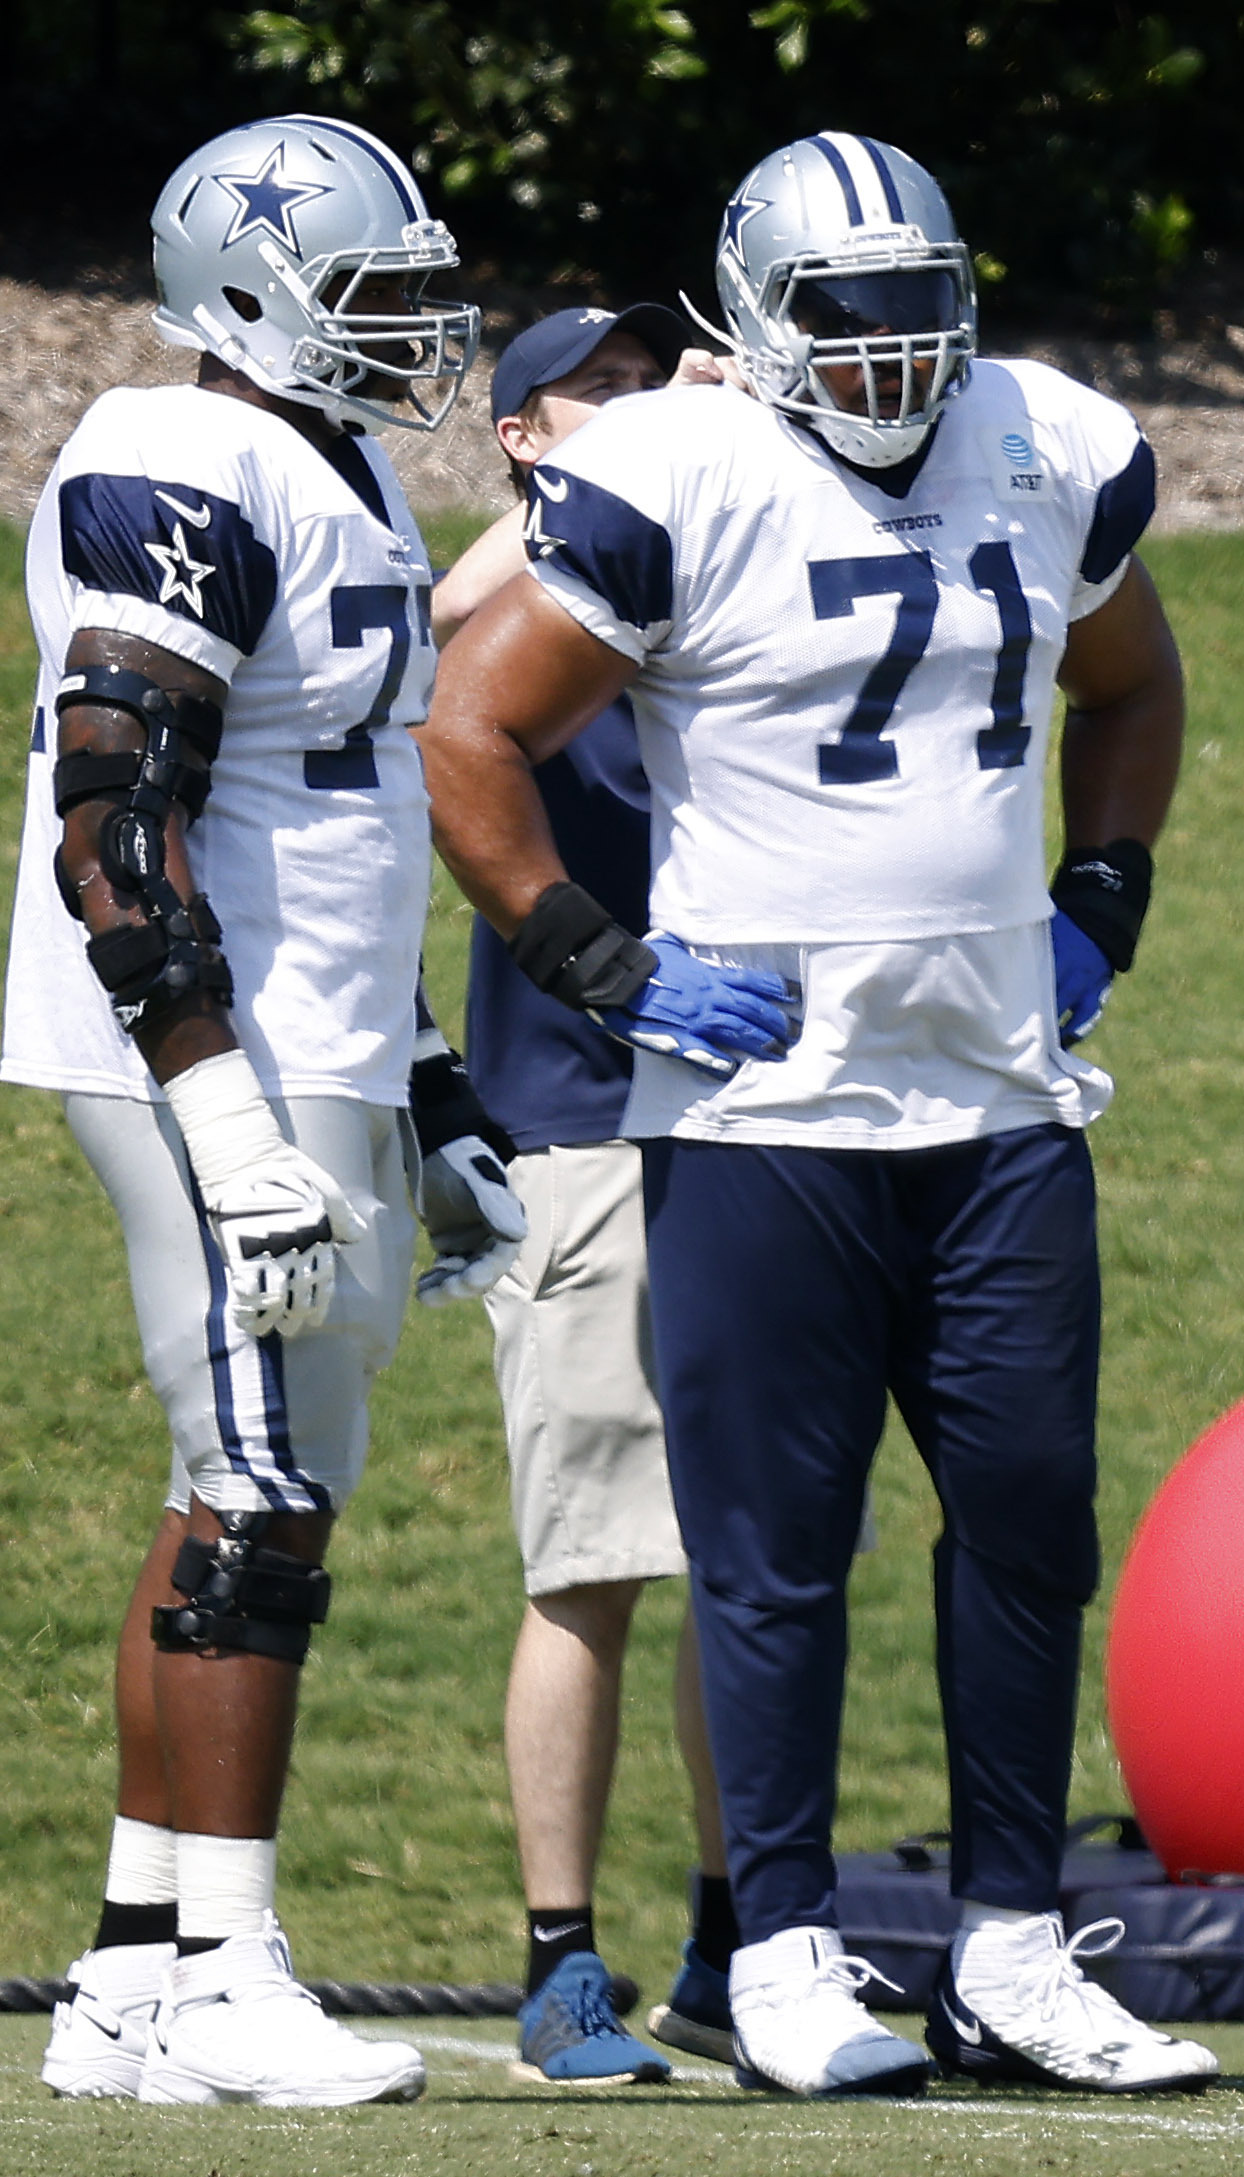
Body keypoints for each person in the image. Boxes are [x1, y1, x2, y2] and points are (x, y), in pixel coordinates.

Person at [417, 130, 1216, 2100]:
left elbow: (1131, 683)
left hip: (1002, 1104)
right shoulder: (671, 475)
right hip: (762, 1119)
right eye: (845, 325)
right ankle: (777, 1951)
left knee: (1029, 1522)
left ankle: (1014, 1950)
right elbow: (473, 732)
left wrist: (1102, 895)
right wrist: (600, 965)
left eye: (918, 316)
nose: (890, 361)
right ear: (760, 326)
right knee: (771, 1549)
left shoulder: (1049, 442)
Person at [8, 114, 520, 2107]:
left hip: (309, 1030)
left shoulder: (339, 465)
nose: (416, 332)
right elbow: (117, 819)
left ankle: (133, 1974)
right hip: (202, 1043)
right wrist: (219, 1109)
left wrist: (433, 1088)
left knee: (239, 1472)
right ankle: (229, 1975)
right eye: (372, 297)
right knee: (259, 1489)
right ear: (246, 298)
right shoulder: (178, 460)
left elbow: (345, 829)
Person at [428, 303, 728, 2089]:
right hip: (581, 1130)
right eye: (592, 391)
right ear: (526, 440)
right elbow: (440, 642)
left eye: (649, 377)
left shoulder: (708, 560)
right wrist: (598, 478)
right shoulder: (511, 594)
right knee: (592, 1567)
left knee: (750, 1568)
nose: (633, 407)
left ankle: (738, 1936)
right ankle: (559, 1966)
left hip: (760, 1127)